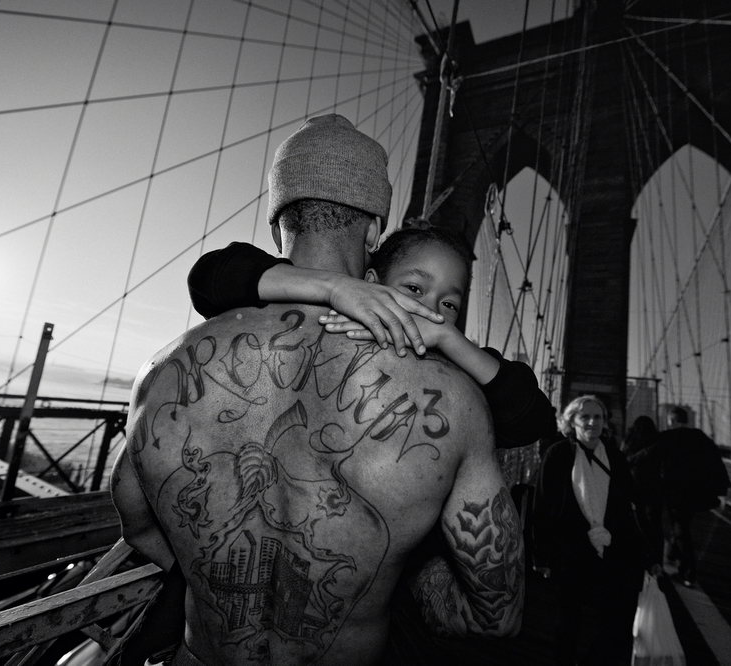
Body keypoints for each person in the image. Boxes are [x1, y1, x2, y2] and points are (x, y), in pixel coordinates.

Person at [110, 114, 524, 666]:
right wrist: (391, 577)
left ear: (279, 226)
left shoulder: (163, 372)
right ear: (375, 230)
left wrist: (217, 576)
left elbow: (139, 527)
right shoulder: (452, 401)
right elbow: (497, 614)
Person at [187, 226, 558, 449]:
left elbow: (535, 422)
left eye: (449, 303)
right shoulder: (335, 326)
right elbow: (210, 276)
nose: (429, 309)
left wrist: (451, 341)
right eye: (413, 287)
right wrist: (335, 288)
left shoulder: (457, 368)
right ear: (371, 287)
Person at [533, 395, 651, 666]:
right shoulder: (558, 454)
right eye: (584, 416)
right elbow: (543, 507)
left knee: (615, 620)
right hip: (570, 551)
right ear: (571, 421)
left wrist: (647, 553)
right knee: (568, 621)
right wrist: (542, 555)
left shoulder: (614, 456)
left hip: (611, 549)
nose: (592, 422)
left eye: (598, 417)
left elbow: (628, 501)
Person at [659, 405, 730, 587]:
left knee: (681, 528)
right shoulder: (701, 437)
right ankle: (673, 553)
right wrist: (719, 489)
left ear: (672, 420)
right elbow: (716, 464)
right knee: (682, 525)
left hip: (674, 493)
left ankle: (688, 572)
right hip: (696, 494)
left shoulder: (666, 438)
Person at [621, 415, 665, 566]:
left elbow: (622, 460)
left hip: (635, 485)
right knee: (655, 525)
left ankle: (641, 559)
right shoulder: (657, 442)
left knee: (638, 524)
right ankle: (657, 561)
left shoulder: (629, 441)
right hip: (655, 487)